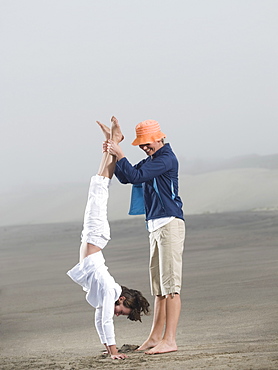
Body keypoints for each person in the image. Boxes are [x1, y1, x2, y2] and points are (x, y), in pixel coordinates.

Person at [67, 117, 150, 360]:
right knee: (99, 189)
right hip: (96, 235)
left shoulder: (108, 295)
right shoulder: (108, 290)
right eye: (122, 311)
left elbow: (99, 319)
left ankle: (111, 141)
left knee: (98, 187)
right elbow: (105, 320)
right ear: (122, 299)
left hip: (94, 238)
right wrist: (114, 352)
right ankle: (113, 142)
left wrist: (107, 347)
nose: (118, 314)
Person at [106, 119, 186, 355]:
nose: (144, 147)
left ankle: (169, 340)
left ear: (160, 138)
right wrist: (114, 149)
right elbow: (127, 176)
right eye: (141, 144)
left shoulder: (165, 159)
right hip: (155, 226)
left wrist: (119, 151)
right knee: (159, 289)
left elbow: (136, 175)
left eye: (146, 143)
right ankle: (154, 338)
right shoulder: (152, 160)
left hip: (169, 223)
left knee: (171, 288)